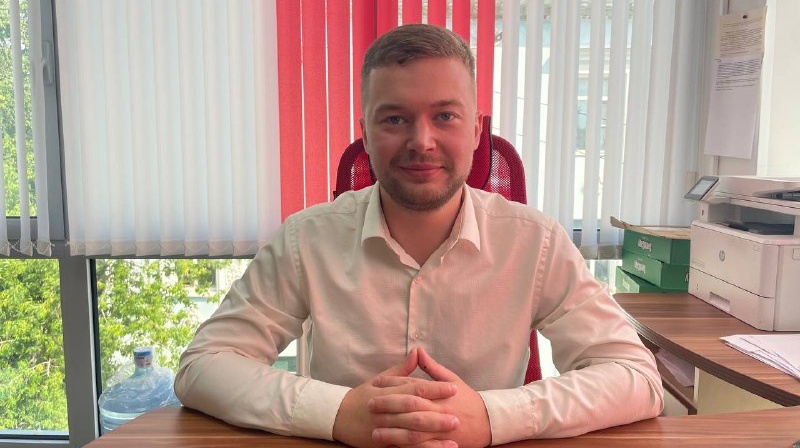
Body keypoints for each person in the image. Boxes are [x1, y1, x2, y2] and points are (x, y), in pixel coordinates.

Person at [174, 24, 664, 448]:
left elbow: (636, 377)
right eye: (395, 119)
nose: (421, 141)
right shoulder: (307, 238)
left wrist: (491, 417)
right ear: (366, 134)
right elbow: (205, 365)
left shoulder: (535, 242)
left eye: (445, 116)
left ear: (476, 131)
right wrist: (338, 413)